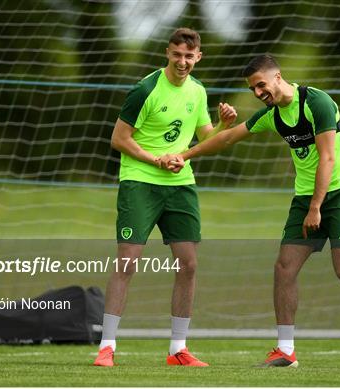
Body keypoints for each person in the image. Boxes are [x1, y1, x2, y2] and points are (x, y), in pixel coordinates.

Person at [162, 54, 340, 368]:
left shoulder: (316, 103)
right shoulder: (273, 115)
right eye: (253, 89)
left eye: (261, 85)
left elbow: (328, 159)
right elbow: (227, 137)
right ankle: (285, 350)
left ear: (278, 76)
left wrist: (316, 207)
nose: (258, 93)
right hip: (306, 198)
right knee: (284, 268)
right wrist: (184, 156)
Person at [93, 27, 237, 367]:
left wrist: (221, 124)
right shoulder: (145, 89)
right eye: (177, 55)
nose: (182, 62)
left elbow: (204, 137)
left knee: (188, 264)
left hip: (180, 185)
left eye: (189, 56)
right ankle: (107, 347)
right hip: (140, 182)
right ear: (167, 53)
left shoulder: (199, 91)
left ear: (198, 57)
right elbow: (119, 138)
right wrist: (155, 159)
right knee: (127, 261)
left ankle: (178, 350)